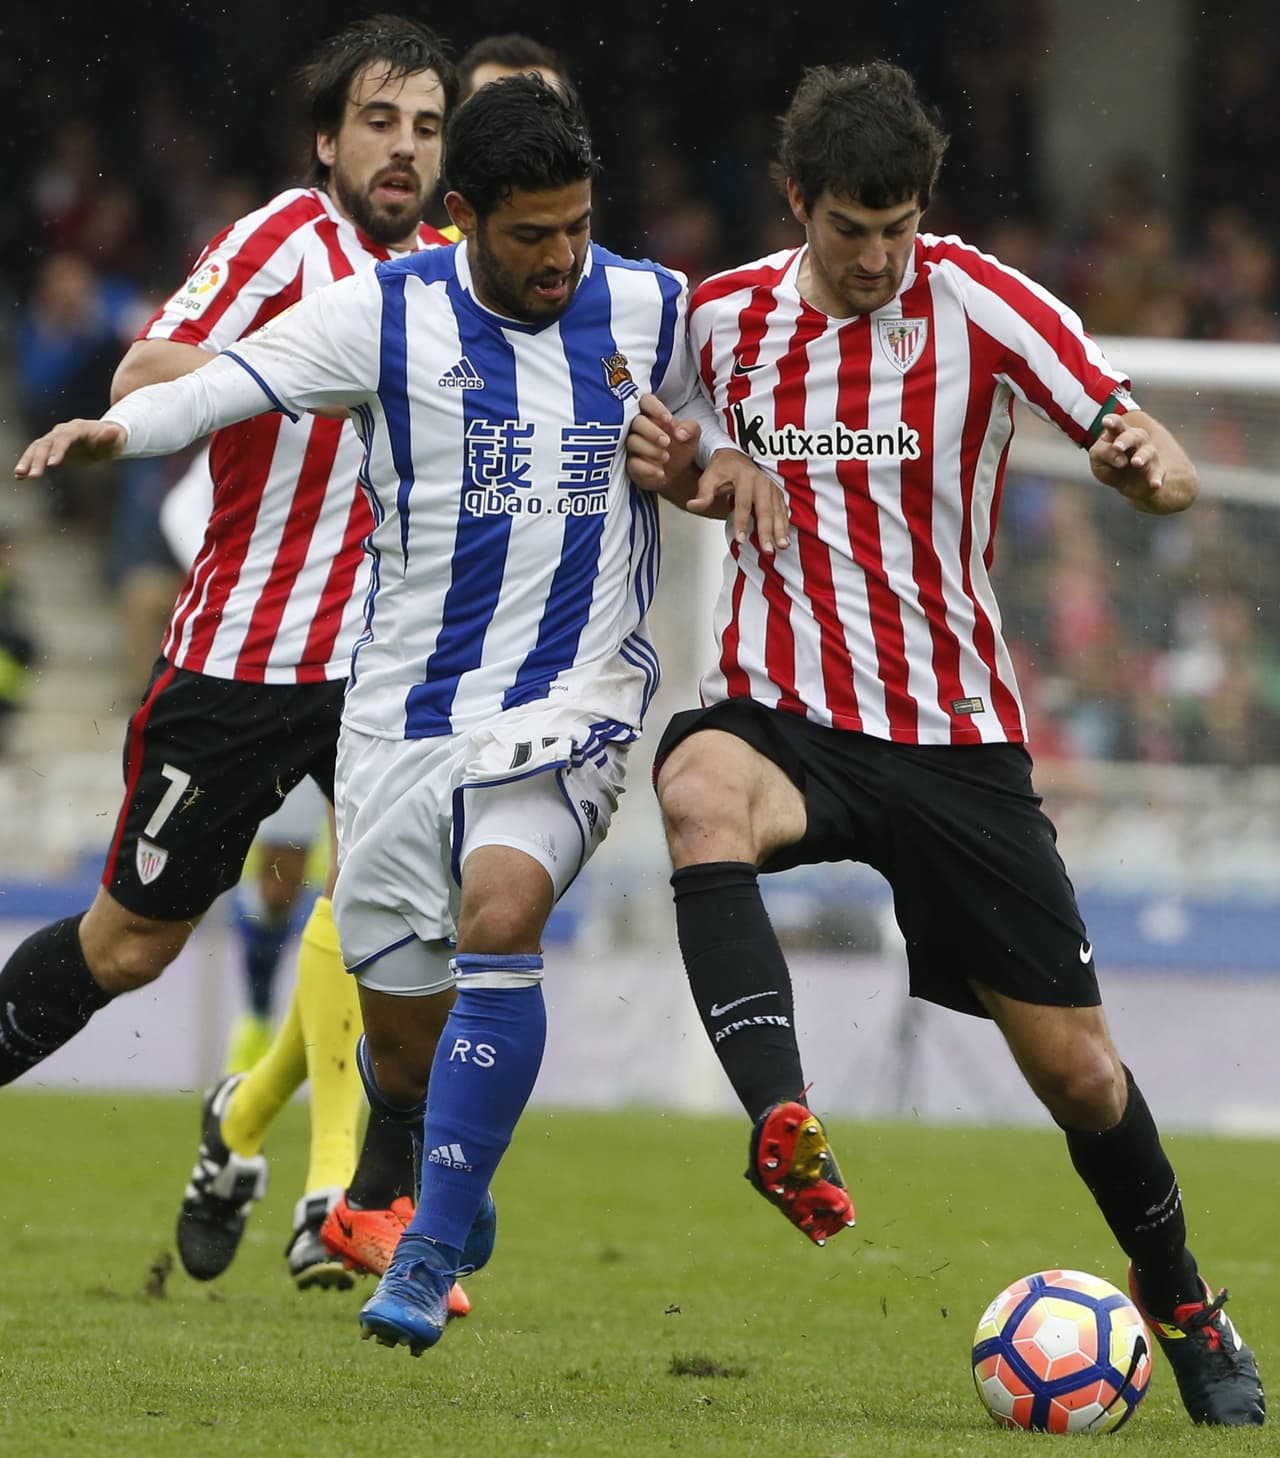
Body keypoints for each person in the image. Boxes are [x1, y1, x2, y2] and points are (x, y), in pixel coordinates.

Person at [14, 75, 783, 1355]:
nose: (560, 258)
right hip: (401, 713)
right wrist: (122, 427)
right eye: (531, 233)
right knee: (401, 1039)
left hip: (572, 697)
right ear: (469, 217)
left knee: (501, 905)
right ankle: (427, 1158)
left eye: (577, 228)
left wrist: (716, 468)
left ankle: (420, 1243)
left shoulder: (653, 308)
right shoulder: (382, 312)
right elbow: (225, 383)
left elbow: (734, 432)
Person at [627, 62, 1265, 1429]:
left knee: (1082, 1075)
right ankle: (782, 1120)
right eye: (849, 228)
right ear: (799, 203)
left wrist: (1148, 467)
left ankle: (1188, 1302)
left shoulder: (979, 299)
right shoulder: (724, 318)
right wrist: (700, 469)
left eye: (897, 227)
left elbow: (1140, 437)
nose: (874, 257)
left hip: (951, 736)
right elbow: (640, 435)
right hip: (783, 711)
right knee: (694, 787)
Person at [1, 14, 456, 1296]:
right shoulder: (280, 242)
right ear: (328, 137)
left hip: (391, 676)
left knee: (431, 927)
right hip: (245, 661)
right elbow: (146, 365)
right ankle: (258, 1136)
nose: (402, 149)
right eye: (379, 121)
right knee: (128, 946)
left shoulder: (456, 276)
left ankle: (373, 1208)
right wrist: (306, 369)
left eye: (425, 127)